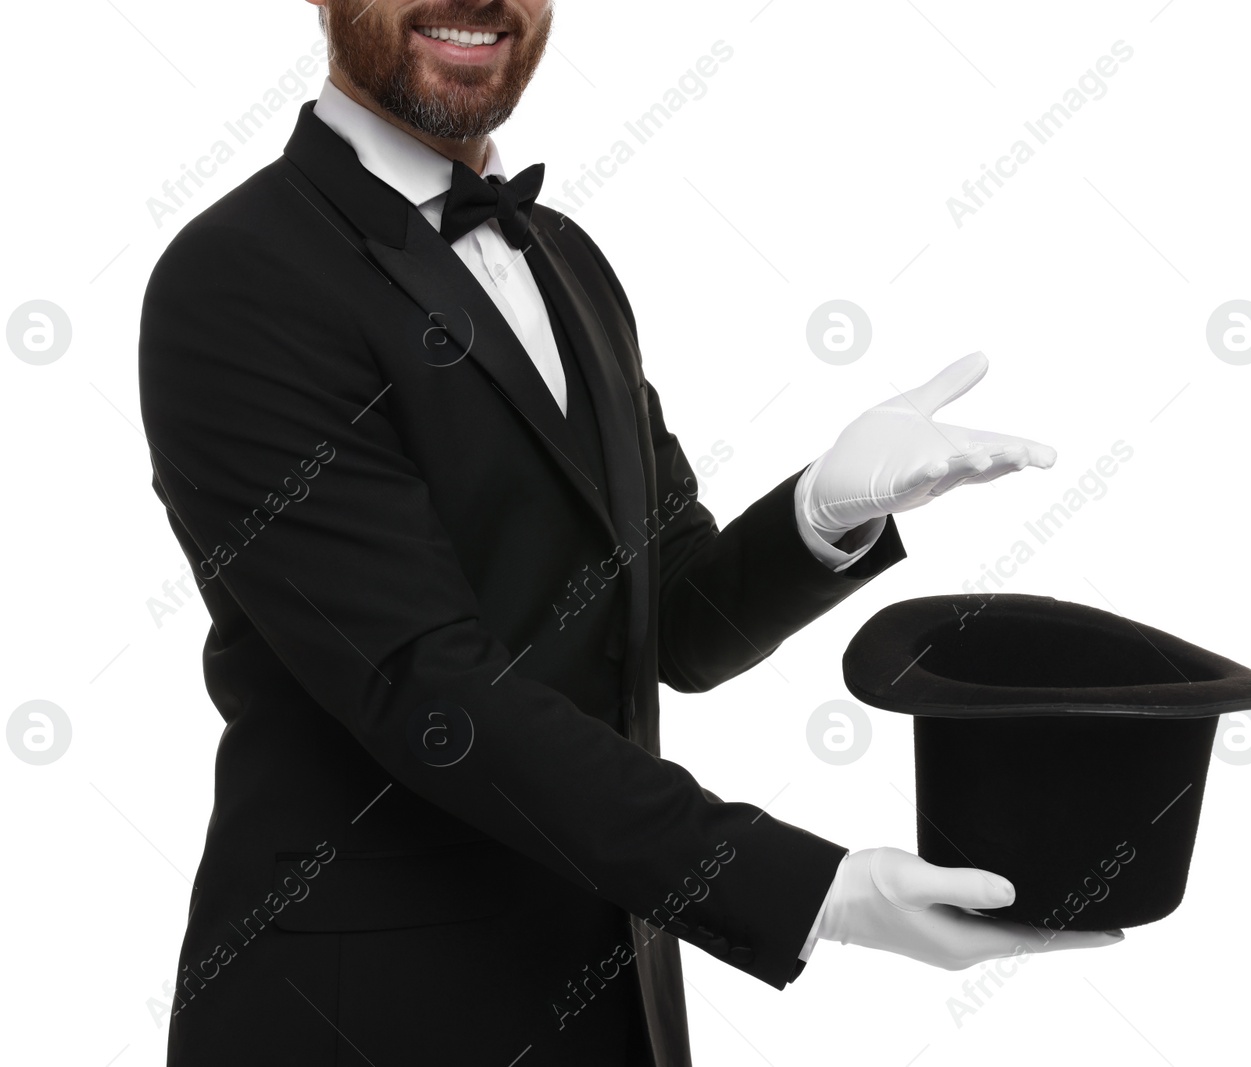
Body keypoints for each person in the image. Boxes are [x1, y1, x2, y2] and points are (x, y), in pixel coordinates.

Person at [136, 2, 1120, 1063]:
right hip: (366, 1016)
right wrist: (813, 887)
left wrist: (819, 513)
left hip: (615, 1000)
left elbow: (669, 626)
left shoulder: (565, 258)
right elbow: (425, 687)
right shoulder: (239, 275)